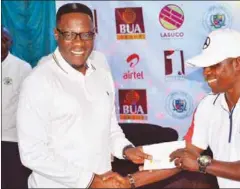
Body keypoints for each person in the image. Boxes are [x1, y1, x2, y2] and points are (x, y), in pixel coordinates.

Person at [107, 29, 240, 188]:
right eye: (205, 66)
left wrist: (201, 164)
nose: (206, 72)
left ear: (237, 64)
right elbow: (186, 155)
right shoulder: (209, 105)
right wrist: (129, 182)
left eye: (214, 65)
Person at [16, 3, 151, 188]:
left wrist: (126, 149)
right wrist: (90, 181)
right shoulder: (38, 81)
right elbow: (32, 153)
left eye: (87, 34)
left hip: (103, 181)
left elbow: (109, 126)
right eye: (70, 35)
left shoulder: (101, 69)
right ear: (57, 34)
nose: (79, 43)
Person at [1, 26, 32, 188]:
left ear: (8, 42)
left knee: (14, 184)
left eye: (3, 40)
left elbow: (30, 107)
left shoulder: (22, 68)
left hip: (11, 141)